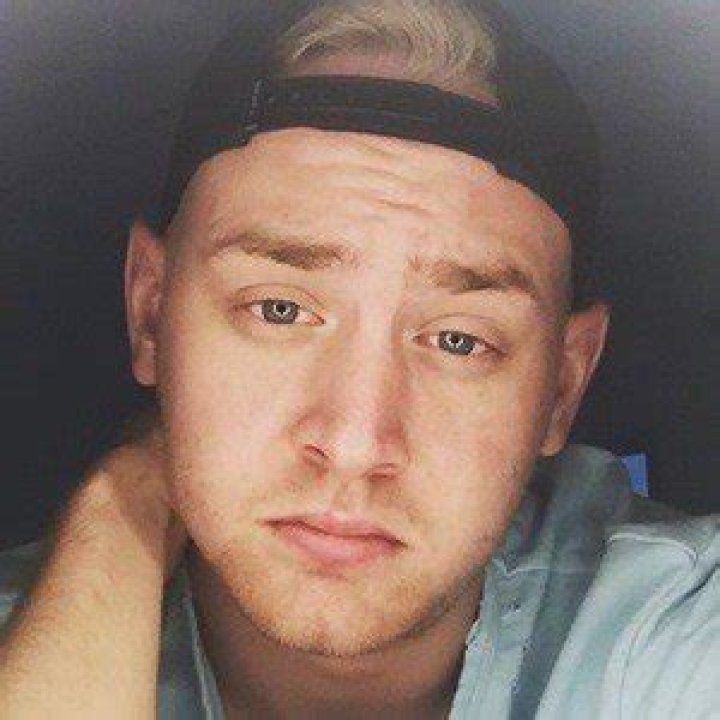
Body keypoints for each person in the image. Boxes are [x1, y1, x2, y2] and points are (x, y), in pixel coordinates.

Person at [0, 1, 718, 717]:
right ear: (151, 313)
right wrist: (117, 518)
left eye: (459, 340)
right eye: (279, 310)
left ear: (562, 385)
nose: (353, 445)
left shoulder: (675, 636)